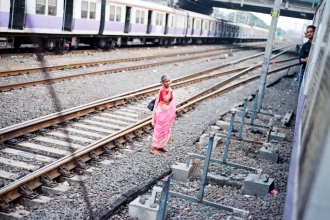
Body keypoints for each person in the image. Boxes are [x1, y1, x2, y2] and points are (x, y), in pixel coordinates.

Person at [150, 75, 176, 156]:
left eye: (169, 81)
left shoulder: (169, 89)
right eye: (166, 81)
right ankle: (153, 148)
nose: (168, 82)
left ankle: (161, 145)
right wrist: (170, 92)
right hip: (162, 111)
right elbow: (166, 99)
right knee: (159, 130)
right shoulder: (163, 90)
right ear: (162, 83)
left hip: (167, 112)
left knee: (166, 129)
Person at [298, 25, 315, 93]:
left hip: (314, 71)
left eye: (311, 32)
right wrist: (305, 60)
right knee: (300, 88)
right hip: (305, 69)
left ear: (315, 32)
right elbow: (300, 59)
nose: (309, 33)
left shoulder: (319, 44)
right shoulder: (305, 46)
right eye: (307, 32)